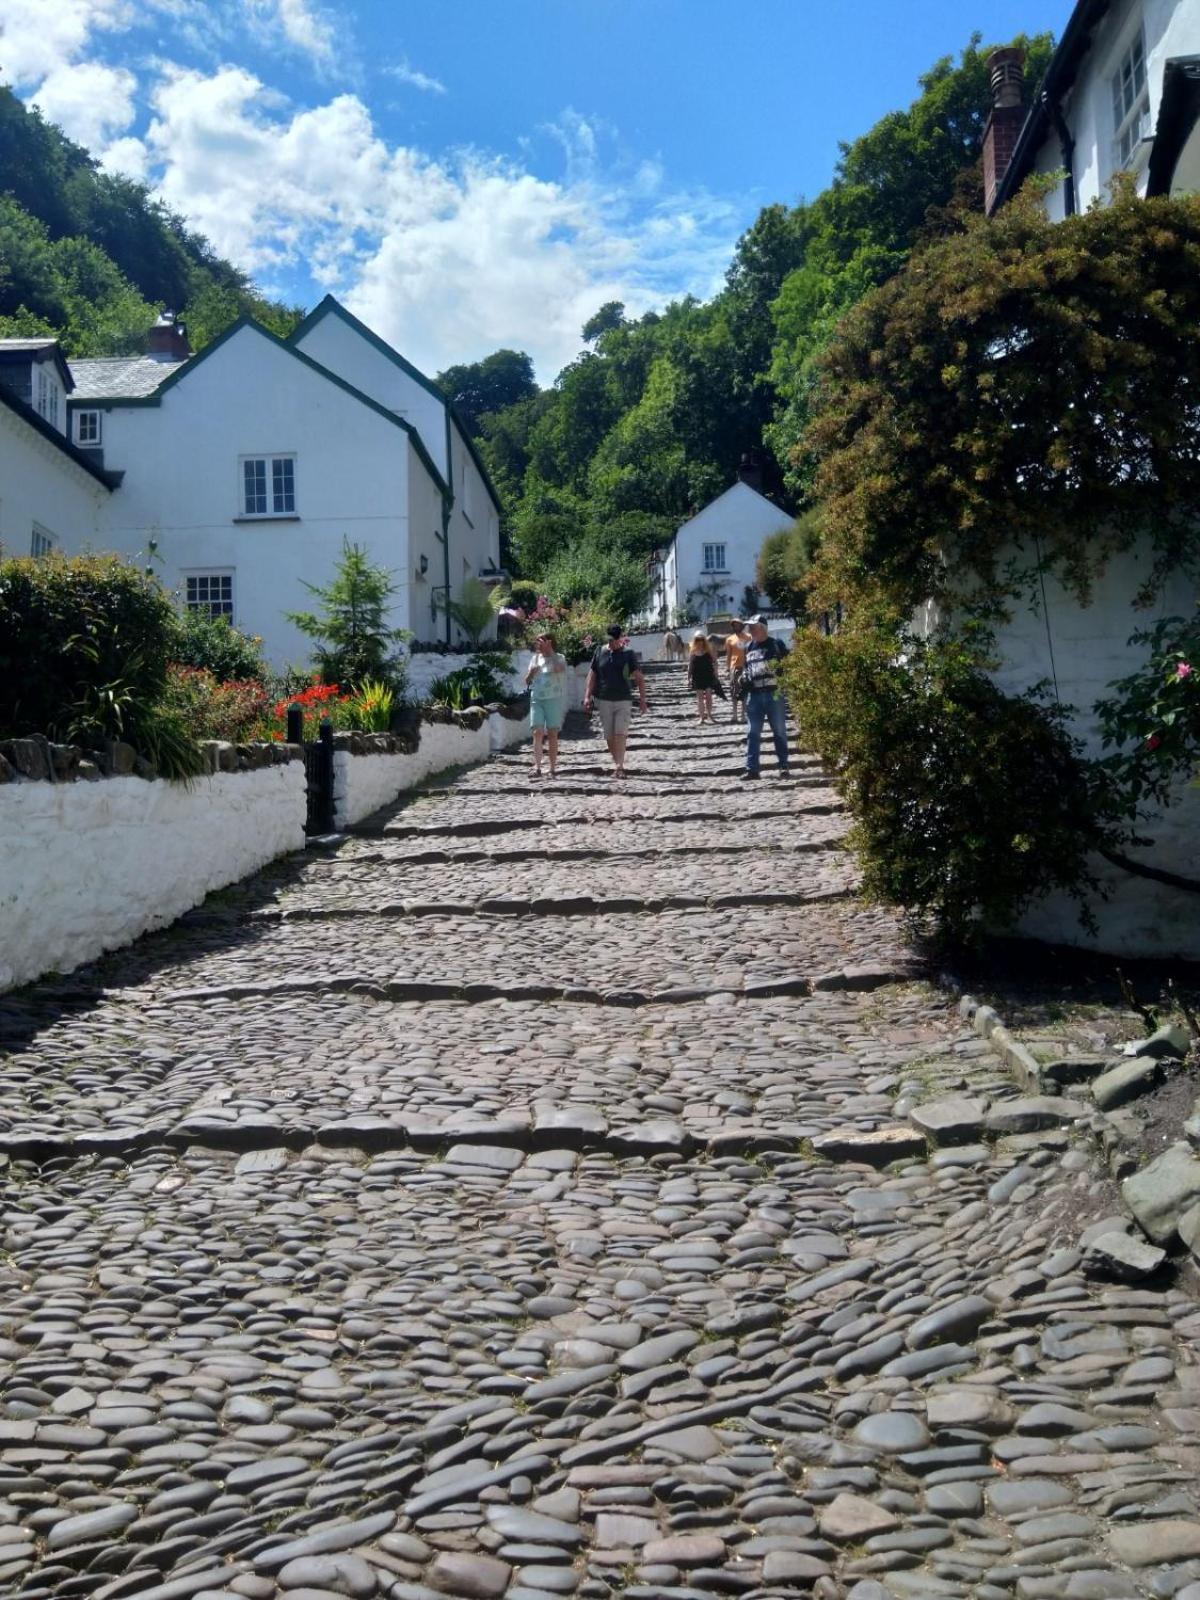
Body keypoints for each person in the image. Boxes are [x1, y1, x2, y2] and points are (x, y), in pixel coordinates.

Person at [583, 623, 647, 779]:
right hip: (603, 699)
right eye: (609, 640)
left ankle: (619, 766)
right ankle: (617, 763)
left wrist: (643, 699)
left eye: (614, 640)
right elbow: (592, 676)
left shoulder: (628, 654)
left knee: (620, 733)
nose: (611, 643)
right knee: (609, 735)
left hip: (623, 699)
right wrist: (587, 696)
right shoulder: (599, 652)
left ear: (620, 638)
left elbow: (639, 677)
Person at [740, 617, 790, 779]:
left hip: (774, 693)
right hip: (754, 696)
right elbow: (746, 669)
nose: (750, 630)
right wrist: (743, 678)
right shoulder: (748, 647)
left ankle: (783, 766)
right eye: (749, 628)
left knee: (779, 731)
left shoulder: (776, 645)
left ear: (762, 628)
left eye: (753, 627)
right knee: (752, 733)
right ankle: (752, 769)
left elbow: (789, 665)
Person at [523, 631, 569, 778]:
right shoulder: (535, 659)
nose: (538, 645)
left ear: (549, 642)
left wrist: (550, 653)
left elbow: (559, 669)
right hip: (537, 698)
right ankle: (537, 767)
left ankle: (552, 768)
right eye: (537, 642)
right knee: (537, 732)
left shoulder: (559, 657)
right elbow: (527, 681)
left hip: (553, 699)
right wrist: (530, 673)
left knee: (552, 734)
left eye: (540, 641)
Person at [687, 629, 721, 723]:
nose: (700, 641)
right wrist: (688, 678)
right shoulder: (692, 652)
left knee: (709, 696)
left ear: (704, 640)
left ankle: (710, 715)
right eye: (697, 639)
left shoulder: (708, 650)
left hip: (708, 676)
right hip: (697, 676)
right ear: (695, 640)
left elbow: (715, 662)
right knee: (700, 698)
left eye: (701, 639)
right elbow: (690, 665)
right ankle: (701, 717)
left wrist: (716, 674)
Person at [725, 619, 750, 725]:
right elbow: (729, 655)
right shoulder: (729, 639)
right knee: (734, 691)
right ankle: (734, 714)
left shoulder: (748, 637)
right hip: (734, 667)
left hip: (745, 666)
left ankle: (743, 715)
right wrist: (727, 668)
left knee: (744, 690)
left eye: (738, 625)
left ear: (742, 626)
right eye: (734, 625)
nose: (736, 627)